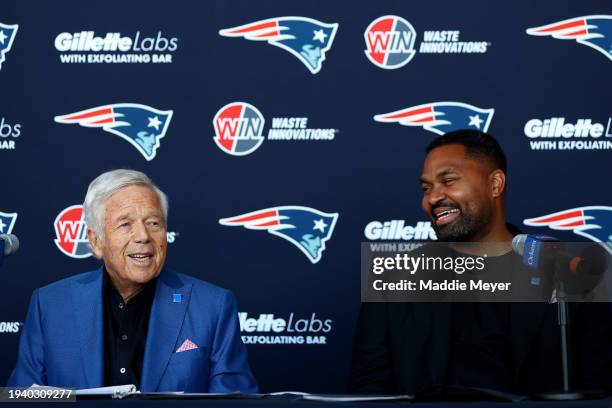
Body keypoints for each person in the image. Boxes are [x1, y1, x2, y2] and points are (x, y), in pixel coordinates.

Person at [348, 130, 611, 396]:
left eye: (448, 180)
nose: (433, 198)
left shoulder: (567, 271)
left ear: (495, 184)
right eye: (426, 188)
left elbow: (599, 389)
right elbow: (370, 393)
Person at [8, 169, 258, 393]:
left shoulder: (212, 306)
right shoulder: (50, 304)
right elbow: (23, 397)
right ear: (96, 241)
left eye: (153, 223)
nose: (143, 236)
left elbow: (235, 401)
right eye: (125, 224)